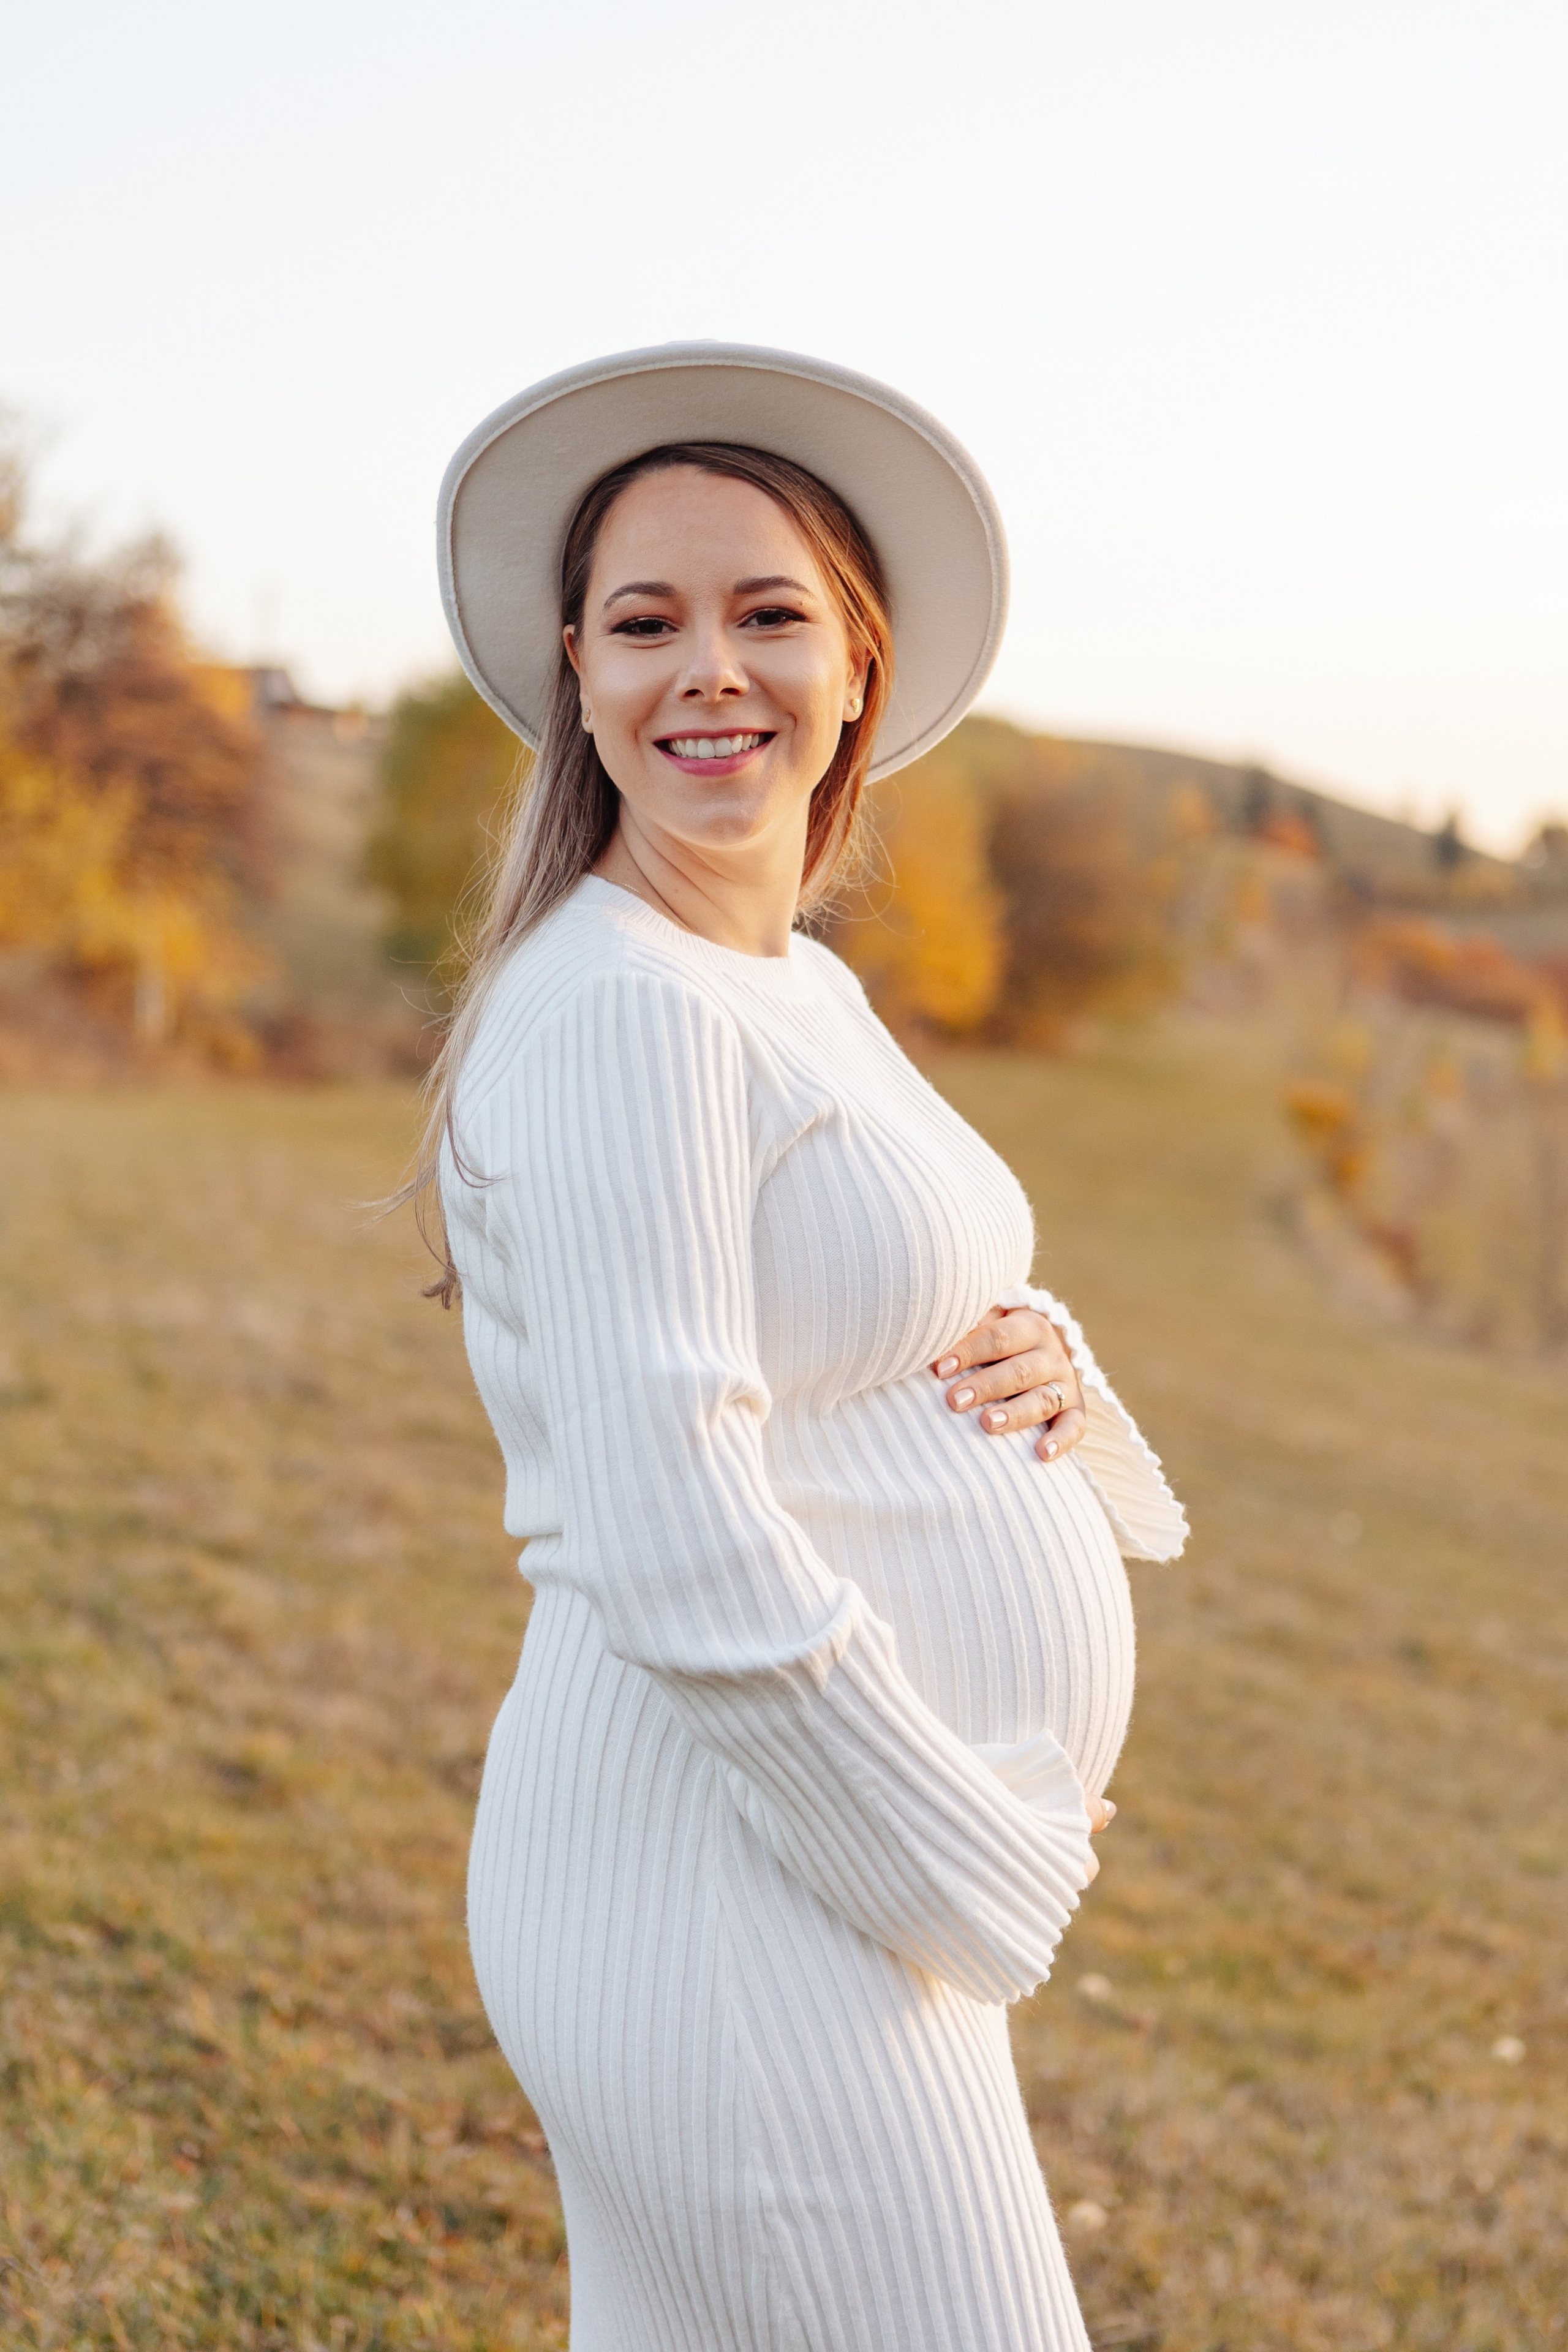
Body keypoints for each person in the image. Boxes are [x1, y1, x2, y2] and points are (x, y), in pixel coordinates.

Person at [415, 345, 1187, 2351]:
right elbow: (677, 1542)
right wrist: (979, 1861)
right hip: (727, 1890)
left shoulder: (790, 987)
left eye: (769, 616)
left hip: (790, 1883)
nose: (711, 671)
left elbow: (860, 1292)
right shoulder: (624, 1014)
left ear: (859, 664)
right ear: (577, 671)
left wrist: (1041, 1358)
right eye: (647, 622)